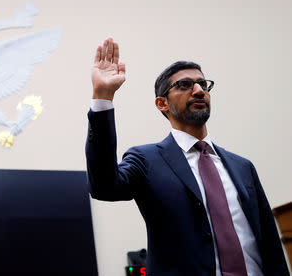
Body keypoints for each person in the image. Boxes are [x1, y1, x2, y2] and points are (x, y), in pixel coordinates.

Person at [85, 37, 290, 276]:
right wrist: (102, 97)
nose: (199, 90)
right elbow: (103, 187)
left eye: (203, 84)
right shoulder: (146, 160)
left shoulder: (242, 166)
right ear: (162, 103)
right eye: (185, 85)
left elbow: (270, 244)